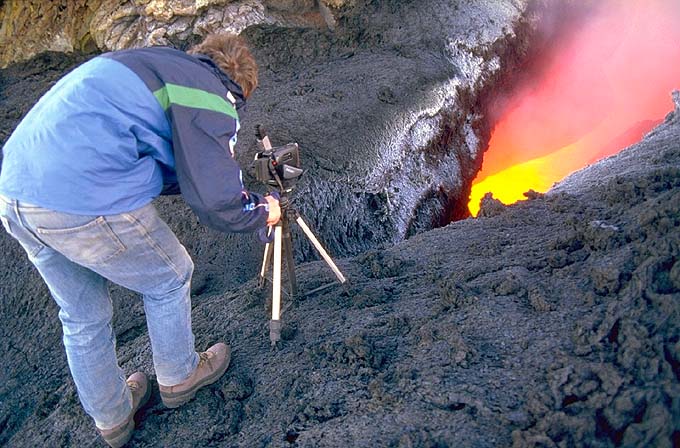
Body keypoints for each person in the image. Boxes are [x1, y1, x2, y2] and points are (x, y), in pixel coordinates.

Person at [0, 33, 279, 447]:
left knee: (81, 313)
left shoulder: (152, 64)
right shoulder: (210, 93)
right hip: (81, 195)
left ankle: (112, 417)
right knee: (169, 276)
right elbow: (213, 197)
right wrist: (260, 209)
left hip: (14, 191)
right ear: (238, 88)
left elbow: (168, 160)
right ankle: (180, 376)